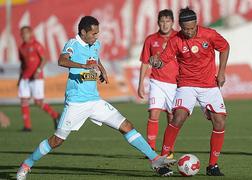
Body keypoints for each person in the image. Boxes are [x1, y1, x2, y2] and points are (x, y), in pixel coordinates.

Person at [16, 16, 175, 180]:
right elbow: (62, 60)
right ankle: (26, 164)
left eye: (97, 33)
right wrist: (83, 66)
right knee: (57, 141)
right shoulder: (73, 44)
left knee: (126, 126)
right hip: (76, 103)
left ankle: (155, 160)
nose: (96, 37)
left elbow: (95, 57)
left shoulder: (95, 44)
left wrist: (102, 69)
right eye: (93, 33)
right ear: (83, 32)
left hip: (95, 101)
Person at [149, 7, 230, 176]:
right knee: (178, 117)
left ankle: (212, 166)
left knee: (220, 122)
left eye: (192, 28)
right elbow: (162, 61)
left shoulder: (209, 34)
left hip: (209, 85)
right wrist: (155, 62)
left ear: (196, 24)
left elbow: (224, 47)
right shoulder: (175, 40)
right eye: (185, 29)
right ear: (180, 26)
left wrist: (221, 71)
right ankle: (163, 161)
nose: (189, 32)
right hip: (186, 84)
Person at [138, 9, 178, 156]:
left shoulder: (179, 37)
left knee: (172, 117)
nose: (165, 24)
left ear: (173, 22)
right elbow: (144, 62)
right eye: (162, 21)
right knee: (154, 113)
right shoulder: (151, 39)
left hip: (175, 84)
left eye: (168, 21)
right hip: (157, 82)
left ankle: (168, 149)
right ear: (158, 23)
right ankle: (150, 149)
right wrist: (141, 84)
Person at [18, 26, 60, 131]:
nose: (23, 35)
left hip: (36, 78)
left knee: (38, 102)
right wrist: (20, 78)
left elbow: (44, 59)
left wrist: (38, 71)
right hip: (25, 77)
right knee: (24, 100)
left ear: (30, 33)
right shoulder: (21, 47)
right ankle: (27, 126)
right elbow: (23, 63)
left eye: (26, 33)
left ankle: (55, 115)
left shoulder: (36, 45)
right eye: (22, 33)